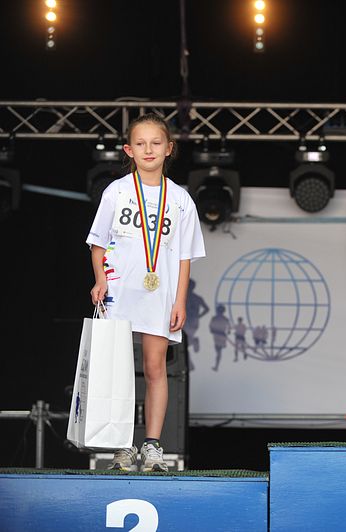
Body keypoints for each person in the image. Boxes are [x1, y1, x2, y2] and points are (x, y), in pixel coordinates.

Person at [87, 113, 205, 472]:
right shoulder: (117, 191)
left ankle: (152, 446)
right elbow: (98, 243)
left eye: (156, 143)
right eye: (140, 143)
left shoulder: (180, 199)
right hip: (119, 293)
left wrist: (180, 300)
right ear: (129, 150)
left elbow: (184, 256)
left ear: (169, 148)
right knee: (119, 372)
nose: (148, 149)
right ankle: (122, 446)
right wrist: (100, 279)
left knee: (155, 367)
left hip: (159, 297)